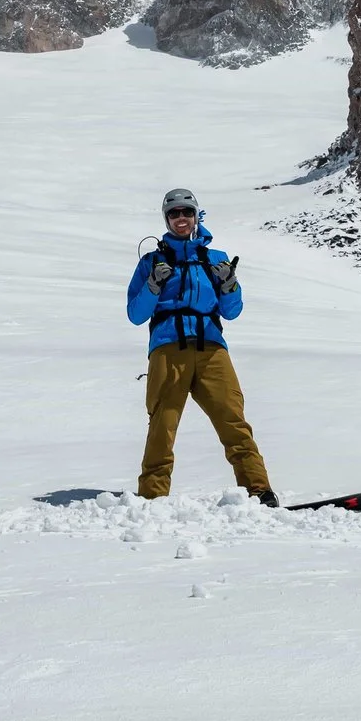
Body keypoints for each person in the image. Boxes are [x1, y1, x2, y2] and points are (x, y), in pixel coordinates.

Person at [125, 188, 275, 504]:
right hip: (168, 348)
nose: (181, 218)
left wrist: (229, 285)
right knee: (162, 426)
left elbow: (232, 310)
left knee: (233, 421)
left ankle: (258, 490)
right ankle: (152, 496)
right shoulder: (151, 262)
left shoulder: (216, 260)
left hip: (212, 349)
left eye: (186, 212)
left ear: (196, 216)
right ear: (166, 219)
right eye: (174, 213)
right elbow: (135, 314)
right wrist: (153, 286)